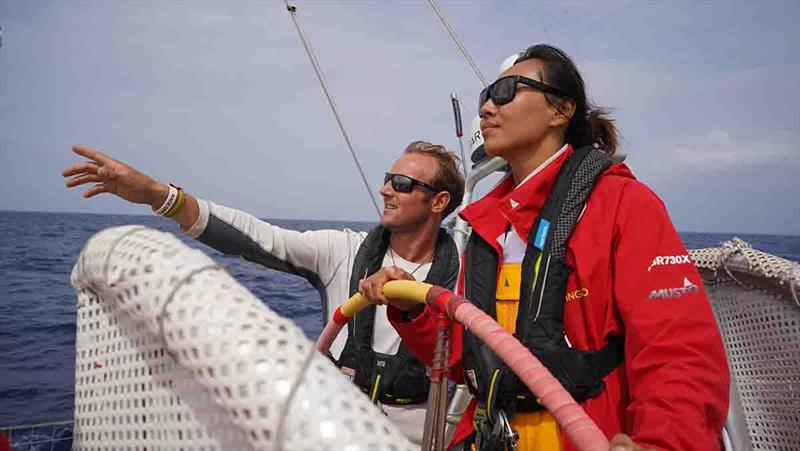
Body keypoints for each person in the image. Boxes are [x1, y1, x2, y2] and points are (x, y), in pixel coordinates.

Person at [359, 44, 730, 451]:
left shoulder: (625, 205)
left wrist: (663, 443)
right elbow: (466, 358)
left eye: (505, 91)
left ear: (561, 110)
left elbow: (679, 353)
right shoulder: (486, 225)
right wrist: (412, 312)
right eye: (486, 97)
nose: (486, 108)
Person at [62, 140, 465, 444]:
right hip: (339, 434)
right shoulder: (341, 251)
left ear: (439, 201)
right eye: (386, 180)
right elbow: (255, 238)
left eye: (402, 183)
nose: (385, 190)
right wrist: (157, 195)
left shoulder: (468, 273)